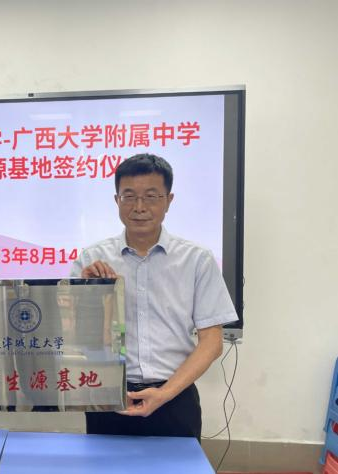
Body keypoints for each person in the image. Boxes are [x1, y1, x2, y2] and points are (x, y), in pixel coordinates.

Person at [70, 153, 238, 440]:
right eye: (129, 196)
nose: (139, 207)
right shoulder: (91, 260)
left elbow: (212, 342)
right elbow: (78, 338)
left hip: (175, 398)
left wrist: (165, 392)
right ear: (116, 200)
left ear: (168, 201)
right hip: (109, 395)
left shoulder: (197, 260)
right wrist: (90, 294)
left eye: (151, 196)